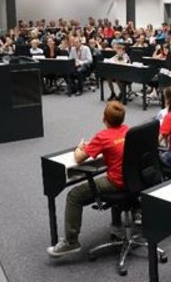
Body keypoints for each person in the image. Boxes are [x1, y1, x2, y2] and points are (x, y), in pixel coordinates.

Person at [46, 101, 129, 257]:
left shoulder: (102, 136)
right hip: (133, 181)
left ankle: (71, 242)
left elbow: (78, 158)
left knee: (74, 195)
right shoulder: (127, 131)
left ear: (104, 119)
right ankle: (119, 223)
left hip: (117, 183)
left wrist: (80, 147)